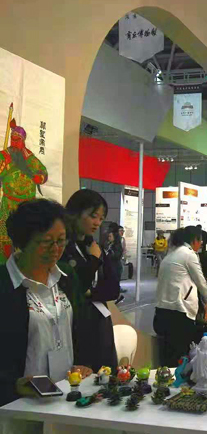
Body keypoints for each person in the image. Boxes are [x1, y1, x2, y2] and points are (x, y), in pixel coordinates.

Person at [0, 199, 92, 408]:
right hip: (18, 402)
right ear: (23, 242)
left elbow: (82, 325)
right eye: (46, 242)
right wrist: (11, 385)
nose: (56, 249)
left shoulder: (66, 276)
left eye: (61, 240)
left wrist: (83, 363)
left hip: (66, 393)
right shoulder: (5, 285)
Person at [61, 189, 119, 372]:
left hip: (99, 320)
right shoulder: (63, 248)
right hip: (76, 323)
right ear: (75, 213)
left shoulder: (93, 246)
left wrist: (89, 292)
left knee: (106, 373)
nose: (97, 223)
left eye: (101, 218)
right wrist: (93, 261)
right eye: (93, 216)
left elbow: (113, 289)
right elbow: (73, 288)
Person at [154, 226, 207, 367]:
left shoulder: (170, 254)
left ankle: (167, 378)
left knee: (168, 356)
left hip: (161, 312)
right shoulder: (188, 254)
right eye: (200, 240)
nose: (201, 243)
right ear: (194, 240)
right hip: (179, 313)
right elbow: (201, 281)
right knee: (181, 357)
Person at [0, 117, 48, 263]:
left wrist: (40, 177)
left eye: (18, 140)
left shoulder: (29, 158)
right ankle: (4, 266)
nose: (14, 143)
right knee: (5, 237)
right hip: (9, 203)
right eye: (13, 139)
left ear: (23, 141)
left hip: (27, 205)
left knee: (27, 236)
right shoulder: (3, 156)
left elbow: (43, 172)